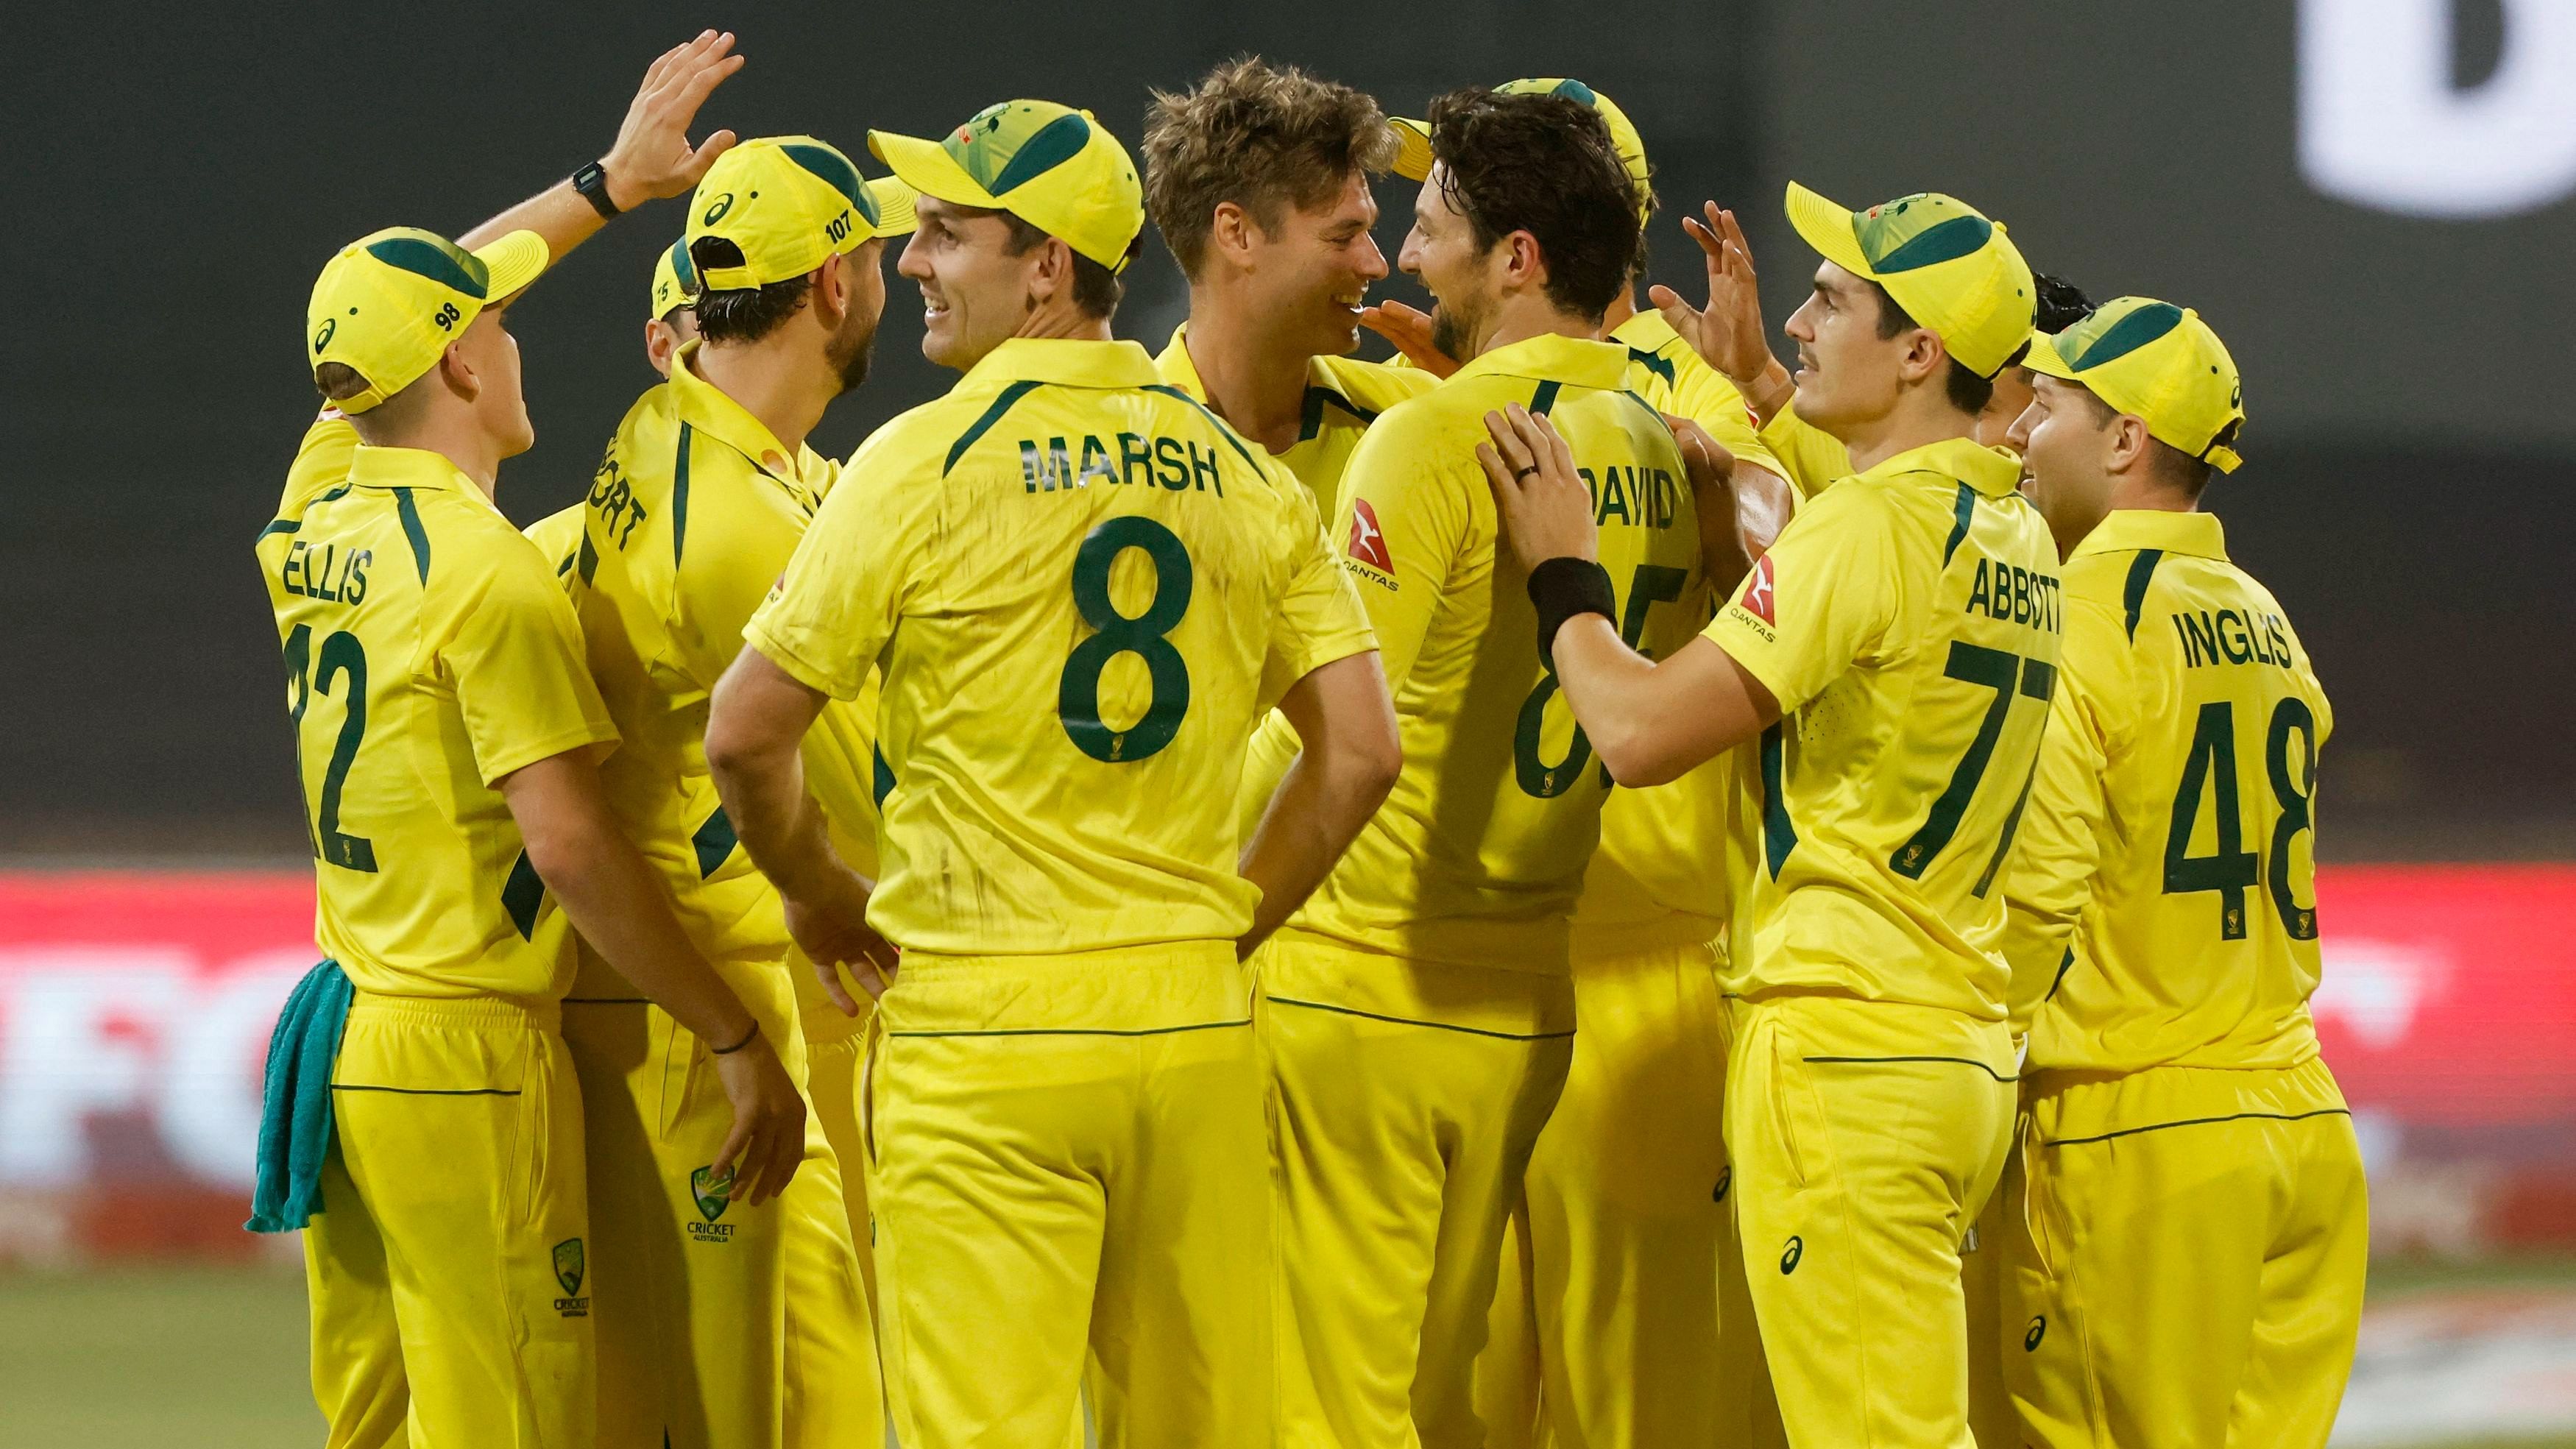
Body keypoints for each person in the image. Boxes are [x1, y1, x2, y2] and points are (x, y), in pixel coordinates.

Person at [700, 97, 1400, 1448]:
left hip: (983, 1036)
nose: (910, 262)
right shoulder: (1244, 476)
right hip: (1192, 1031)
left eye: (947, 234)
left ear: (1047, 270)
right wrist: (1230, 919)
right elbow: (1361, 749)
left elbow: (743, 732)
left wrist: (818, 889)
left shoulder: (920, 462)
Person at [248, 33, 808, 1448]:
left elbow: (429, 297)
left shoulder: (320, 498)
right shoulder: (481, 575)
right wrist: (732, 1028)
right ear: (455, 359)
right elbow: (568, 843)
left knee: (379, 1424)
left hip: (352, 1030)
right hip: (466, 1054)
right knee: (522, 1422)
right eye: (487, 322)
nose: (511, 324)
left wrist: (606, 187)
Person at [1479, 181, 2056, 1449]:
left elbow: (1634, 733)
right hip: (1955, 1046)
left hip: (1846, 1049)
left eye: (1832, 300)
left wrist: (1566, 571)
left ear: (1919, 352)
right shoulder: (2016, 534)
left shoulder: (1865, 530)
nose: (1796, 320)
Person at [1247, 87, 1714, 1449]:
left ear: (1517, 258)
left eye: (1435, 220)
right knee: (1448, 1402)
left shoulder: (1431, 435)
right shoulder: (1664, 443)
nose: (1404, 252)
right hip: (1524, 1005)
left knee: (1329, 1412)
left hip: (1365, 987)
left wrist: (1202, 914)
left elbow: (1338, 732)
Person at [561, 133, 912, 1448]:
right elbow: (873, 818)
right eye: (878, 253)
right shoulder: (735, 533)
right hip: (710, 1009)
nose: (897, 272)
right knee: (780, 1408)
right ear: (833, 286)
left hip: (703, 987)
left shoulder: (681, 427)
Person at [1998, 299, 2365, 1448]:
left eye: (2045, 407)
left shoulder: (2076, 614)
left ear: (2124, 441)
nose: (2018, 434)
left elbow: (2038, 898)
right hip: (2301, 1120)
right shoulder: (2266, 615)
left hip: (2139, 1139)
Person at [1141, 57, 1434, 524]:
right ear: (1237, 234)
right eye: (1342, 236)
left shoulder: (1418, 419)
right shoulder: (1115, 451)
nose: (1377, 264)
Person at [525, 238, 703, 576]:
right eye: (720, 320)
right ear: (662, 346)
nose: (756, 337)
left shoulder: (827, 489)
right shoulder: (545, 557)